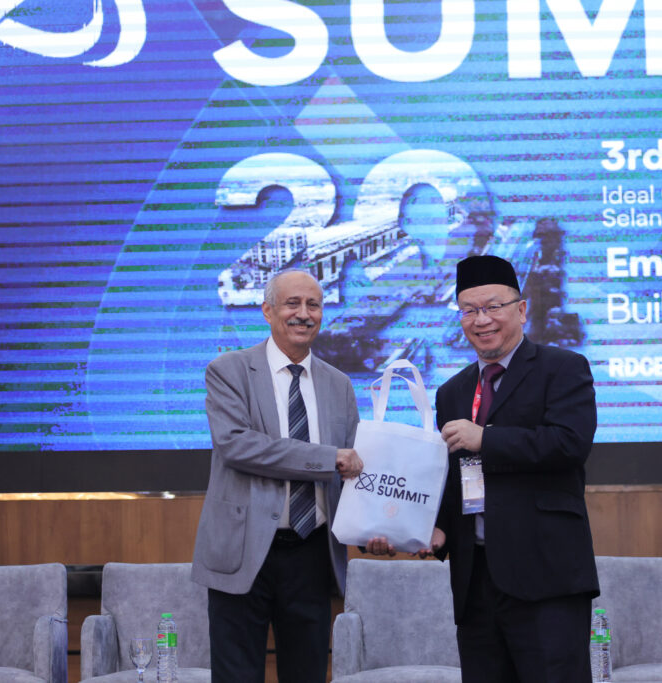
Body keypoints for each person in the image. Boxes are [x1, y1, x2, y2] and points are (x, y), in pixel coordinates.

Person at [370, 254, 599, 682]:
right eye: (469, 310)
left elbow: (569, 444)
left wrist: (486, 438)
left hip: (545, 579)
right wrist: (433, 528)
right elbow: (455, 477)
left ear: (522, 309)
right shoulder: (452, 391)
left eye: (493, 307)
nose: (481, 320)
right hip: (475, 581)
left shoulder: (563, 368)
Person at [191, 269, 364, 683]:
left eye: (313, 305)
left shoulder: (340, 385)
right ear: (268, 311)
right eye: (292, 304)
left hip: (312, 554)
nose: (304, 313)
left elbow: (354, 469)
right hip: (242, 549)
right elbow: (238, 445)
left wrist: (377, 525)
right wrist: (327, 458)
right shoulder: (228, 370)